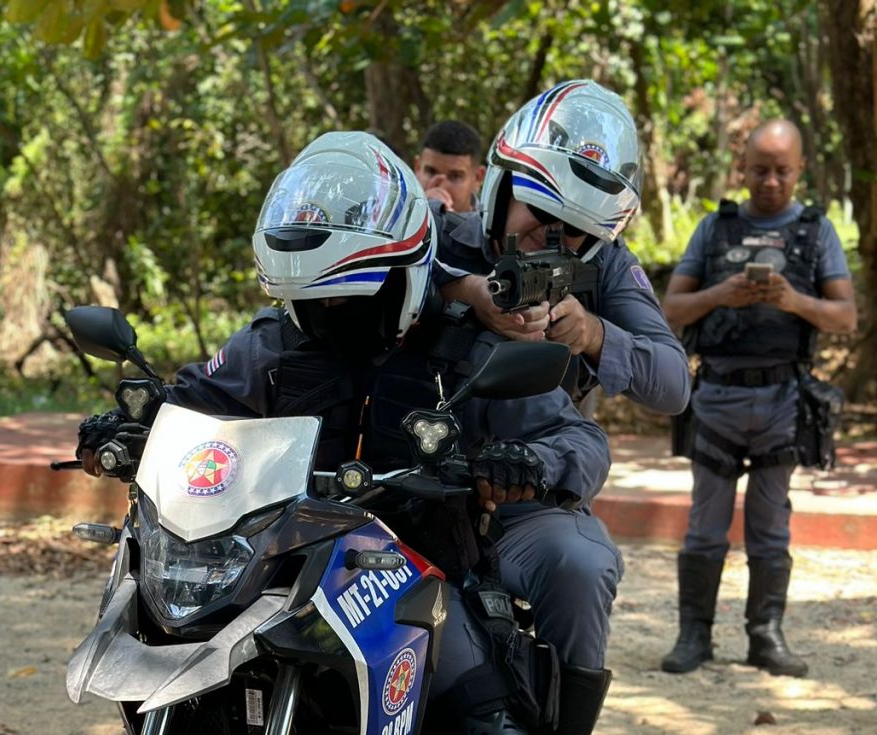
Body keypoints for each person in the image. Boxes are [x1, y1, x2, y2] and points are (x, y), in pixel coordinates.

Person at [79, 131, 620, 734]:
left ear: (404, 280)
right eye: (312, 301)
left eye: (348, 299)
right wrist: (133, 428)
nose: (328, 315)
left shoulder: (469, 347)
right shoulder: (275, 343)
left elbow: (580, 442)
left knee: (487, 719)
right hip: (280, 568)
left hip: (420, 573)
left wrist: (530, 463)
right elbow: (193, 403)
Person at [659, 119, 858, 678]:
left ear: (799, 171)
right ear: (741, 169)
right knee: (704, 526)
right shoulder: (713, 229)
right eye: (760, 169)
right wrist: (723, 293)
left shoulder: (816, 233)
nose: (771, 181)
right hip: (717, 395)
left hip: (783, 400)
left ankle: (766, 635)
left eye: (783, 171)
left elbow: (846, 316)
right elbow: (670, 309)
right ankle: (693, 635)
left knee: (771, 527)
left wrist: (795, 301)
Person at [430, 79, 690, 418]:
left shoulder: (606, 264)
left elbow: (674, 386)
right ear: (503, 191)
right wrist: (465, 291)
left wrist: (594, 335)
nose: (552, 232)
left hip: (543, 460)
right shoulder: (437, 233)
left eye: (575, 228)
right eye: (542, 210)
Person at [414, 120, 487, 214]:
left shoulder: (491, 226)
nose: (442, 187)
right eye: (431, 172)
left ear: (477, 178)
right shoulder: (395, 218)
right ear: (417, 168)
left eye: (455, 176)